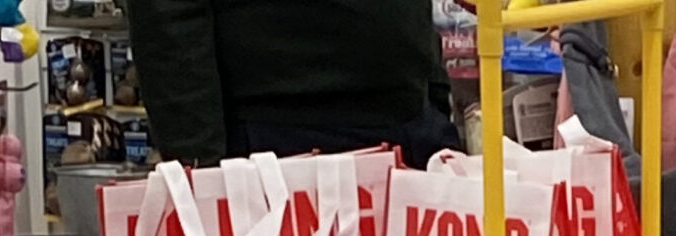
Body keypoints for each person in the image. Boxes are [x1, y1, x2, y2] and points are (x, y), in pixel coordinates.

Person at [125, 0, 459, 169]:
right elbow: (164, 13)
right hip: (276, 140)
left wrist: (432, 88)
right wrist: (197, 164)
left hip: (414, 125)